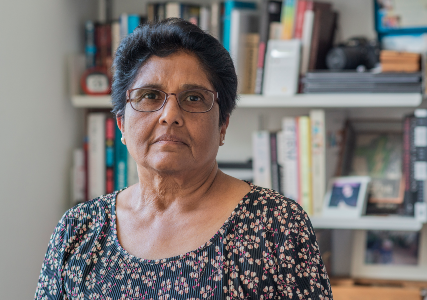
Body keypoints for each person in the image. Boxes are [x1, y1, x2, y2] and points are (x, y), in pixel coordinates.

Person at [35, 18, 332, 299]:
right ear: (122, 124)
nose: (170, 116)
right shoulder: (78, 230)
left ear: (223, 125)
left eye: (193, 98)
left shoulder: (276, 227)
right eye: (150, 96)